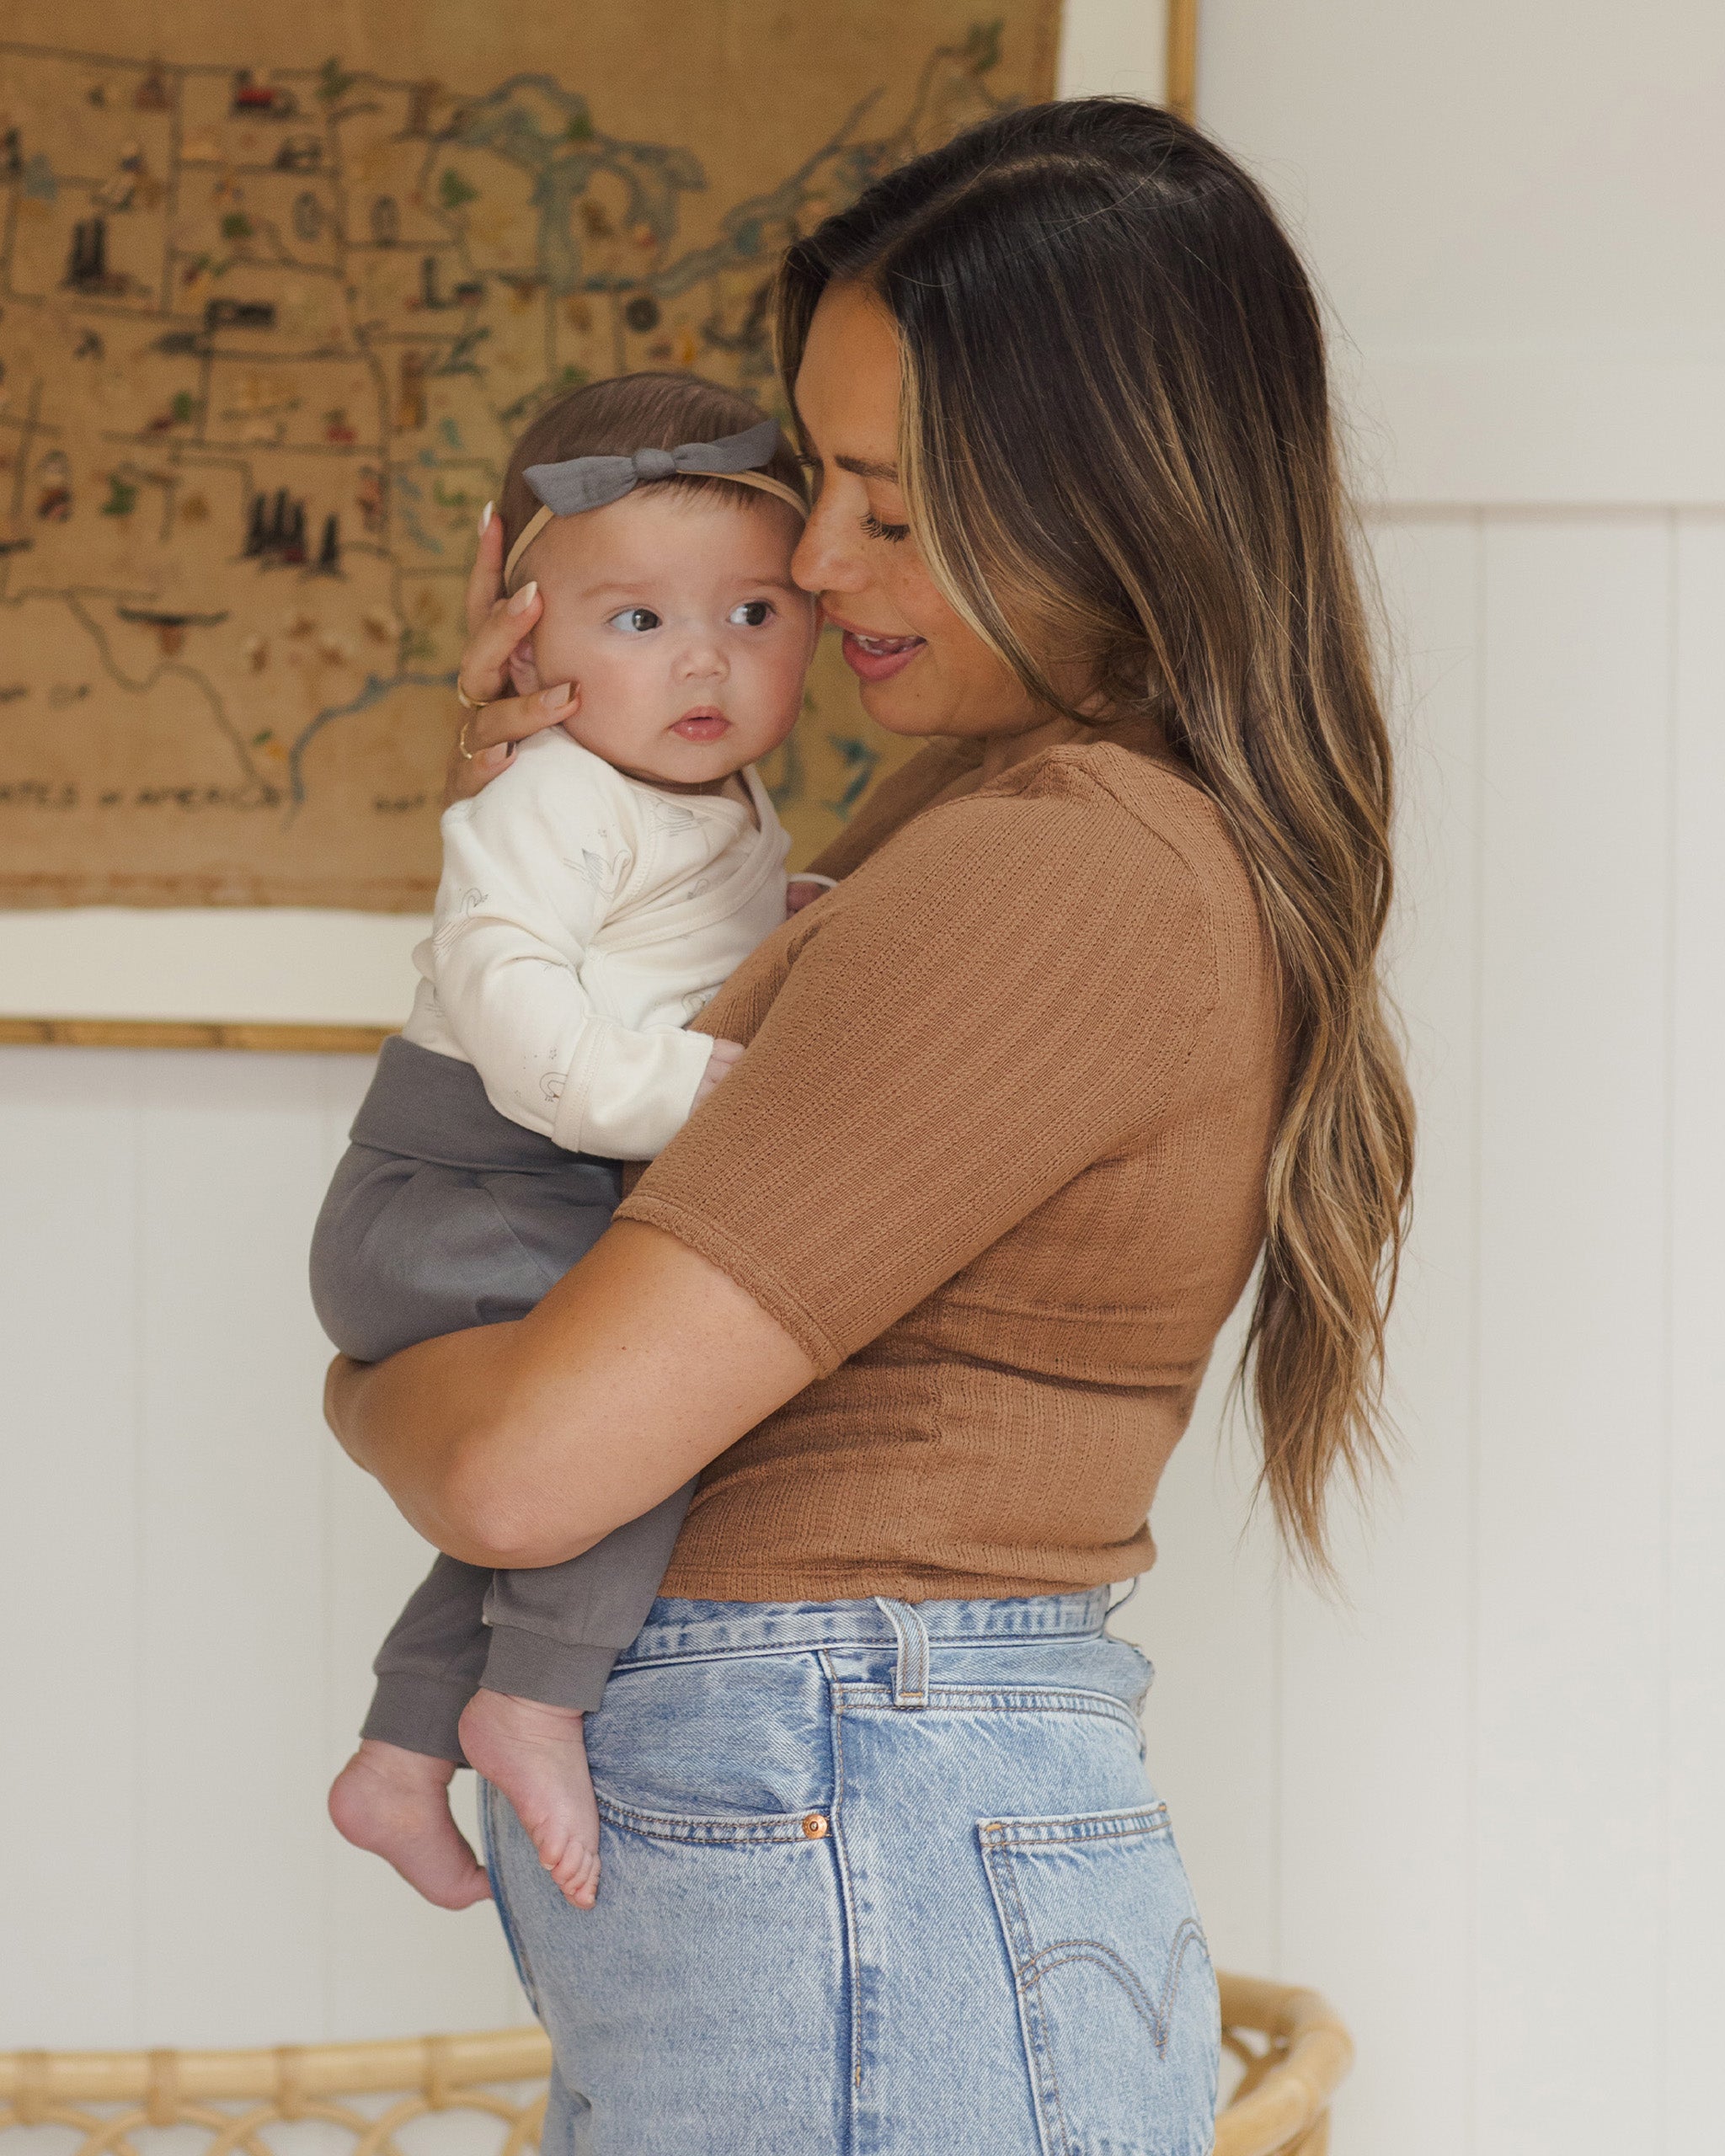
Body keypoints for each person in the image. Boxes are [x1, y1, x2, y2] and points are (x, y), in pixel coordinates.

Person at [325, 98, 1414, 2156]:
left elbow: (521, 1461)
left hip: (844, 1785)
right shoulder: (981, 823)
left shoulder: (1055, 865)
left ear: (1119, 497)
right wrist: (544, 825)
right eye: (816, 483)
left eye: (893, 509)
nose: (815, 567)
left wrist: (357, 1390)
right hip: (837, 1789)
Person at [312, 373, 824, 1914]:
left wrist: (796, 933)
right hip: (461, 1189)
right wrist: (710, 1094)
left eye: (751, 614)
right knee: (640, 1422)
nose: (705, 665)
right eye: (639, 622)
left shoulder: (710, 801)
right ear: (526, 643)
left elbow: (674, 937)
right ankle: (532, 1703)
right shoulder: (550, 792)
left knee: (547, 1487)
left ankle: (401, 1756)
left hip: (511, 1193)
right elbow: (519, 1004)